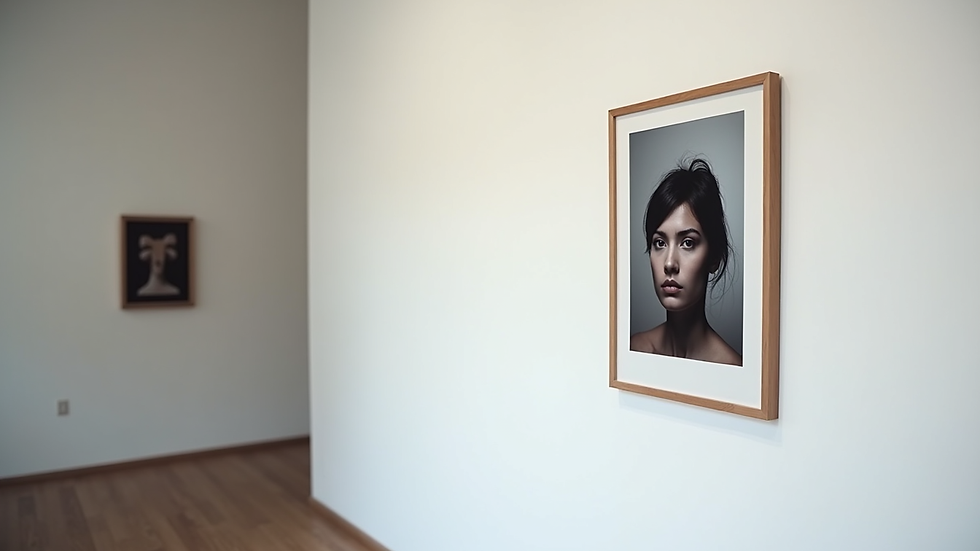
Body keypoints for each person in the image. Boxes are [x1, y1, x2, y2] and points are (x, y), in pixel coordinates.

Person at [629, 158, 741, 366]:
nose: (669, 263)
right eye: (660, 243)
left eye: (688, 243)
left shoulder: (730, 368)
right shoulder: (633, 350)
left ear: (714, 257)